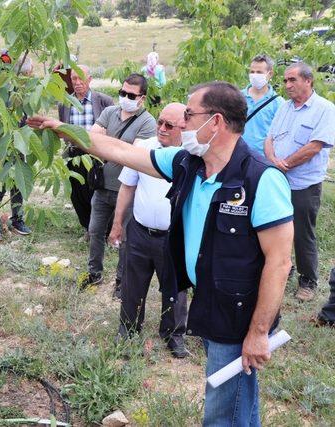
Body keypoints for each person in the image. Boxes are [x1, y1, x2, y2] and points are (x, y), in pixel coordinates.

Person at [28, 80, 294, 426]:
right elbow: (121, 152)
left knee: (222, 409)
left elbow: (280, 262)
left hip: (239, 312)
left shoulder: (260, 179)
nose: (181, 123)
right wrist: (64, 129)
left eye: (188, 114)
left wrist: (258, 333)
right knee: (237, 400)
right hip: (211, 300)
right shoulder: (189, 164)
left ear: (215, 122)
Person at [109, 103, 189, 358]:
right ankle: (128, 327)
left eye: (169, 125)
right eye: (160, 122)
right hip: (141, 231)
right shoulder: (144, 148)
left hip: (174, 236)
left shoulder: (192, 154)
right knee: (133, 284)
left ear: (184, 127)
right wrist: (117, 223)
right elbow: (127, 187)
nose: (162, 129)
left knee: (175, 286)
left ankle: (174, 333)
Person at [264, 62, 335, 302]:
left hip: (304, 183)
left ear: (308, 80)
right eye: (285, 81)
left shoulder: (325, 109)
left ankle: (308, 281)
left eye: (292, 80)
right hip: (278, 179)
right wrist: (273, 159)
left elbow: (315, 146)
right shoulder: (284, 107)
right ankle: (284, 269)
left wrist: (286, 164)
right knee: (275, 229)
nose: (287, 85)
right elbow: (270, 138)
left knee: (303, 233)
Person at [80, 73, 157, 289]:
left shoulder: (147, 122)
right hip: (102, 186)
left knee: (124, 238)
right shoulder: (109, 112)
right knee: (95, 231)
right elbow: (92, 139)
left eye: (131, 95)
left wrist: (107, 144)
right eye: (122, 93)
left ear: (142, 97)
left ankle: (122, 281)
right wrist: (117, 146)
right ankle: (94, 273)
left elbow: (133, 155)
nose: (125, 98)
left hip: (128, 190)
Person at [57, 65, 113, 232]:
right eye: (74, 79)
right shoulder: (64, 103)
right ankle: (88, 228)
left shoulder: (104, 101)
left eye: (81, 78)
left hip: (96, 155)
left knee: (97, 192)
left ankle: (102, 229)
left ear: (90, 79)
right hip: (74, 155)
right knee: (77, 194)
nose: (77, 82)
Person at [0, 56, 34, 241]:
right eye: (25, 74)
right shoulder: (3, 90)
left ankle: (17, 219)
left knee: (18, 183)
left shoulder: (28, 92)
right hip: (2, 145)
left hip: (19, 146)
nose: (28, 76)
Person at [241, 54, 284, 156]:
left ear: (270, 74)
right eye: (252, 72)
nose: (254, 75)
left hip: (261, 158)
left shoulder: (278, 103)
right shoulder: (238, 96)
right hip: (237, 154)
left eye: (259, 72)